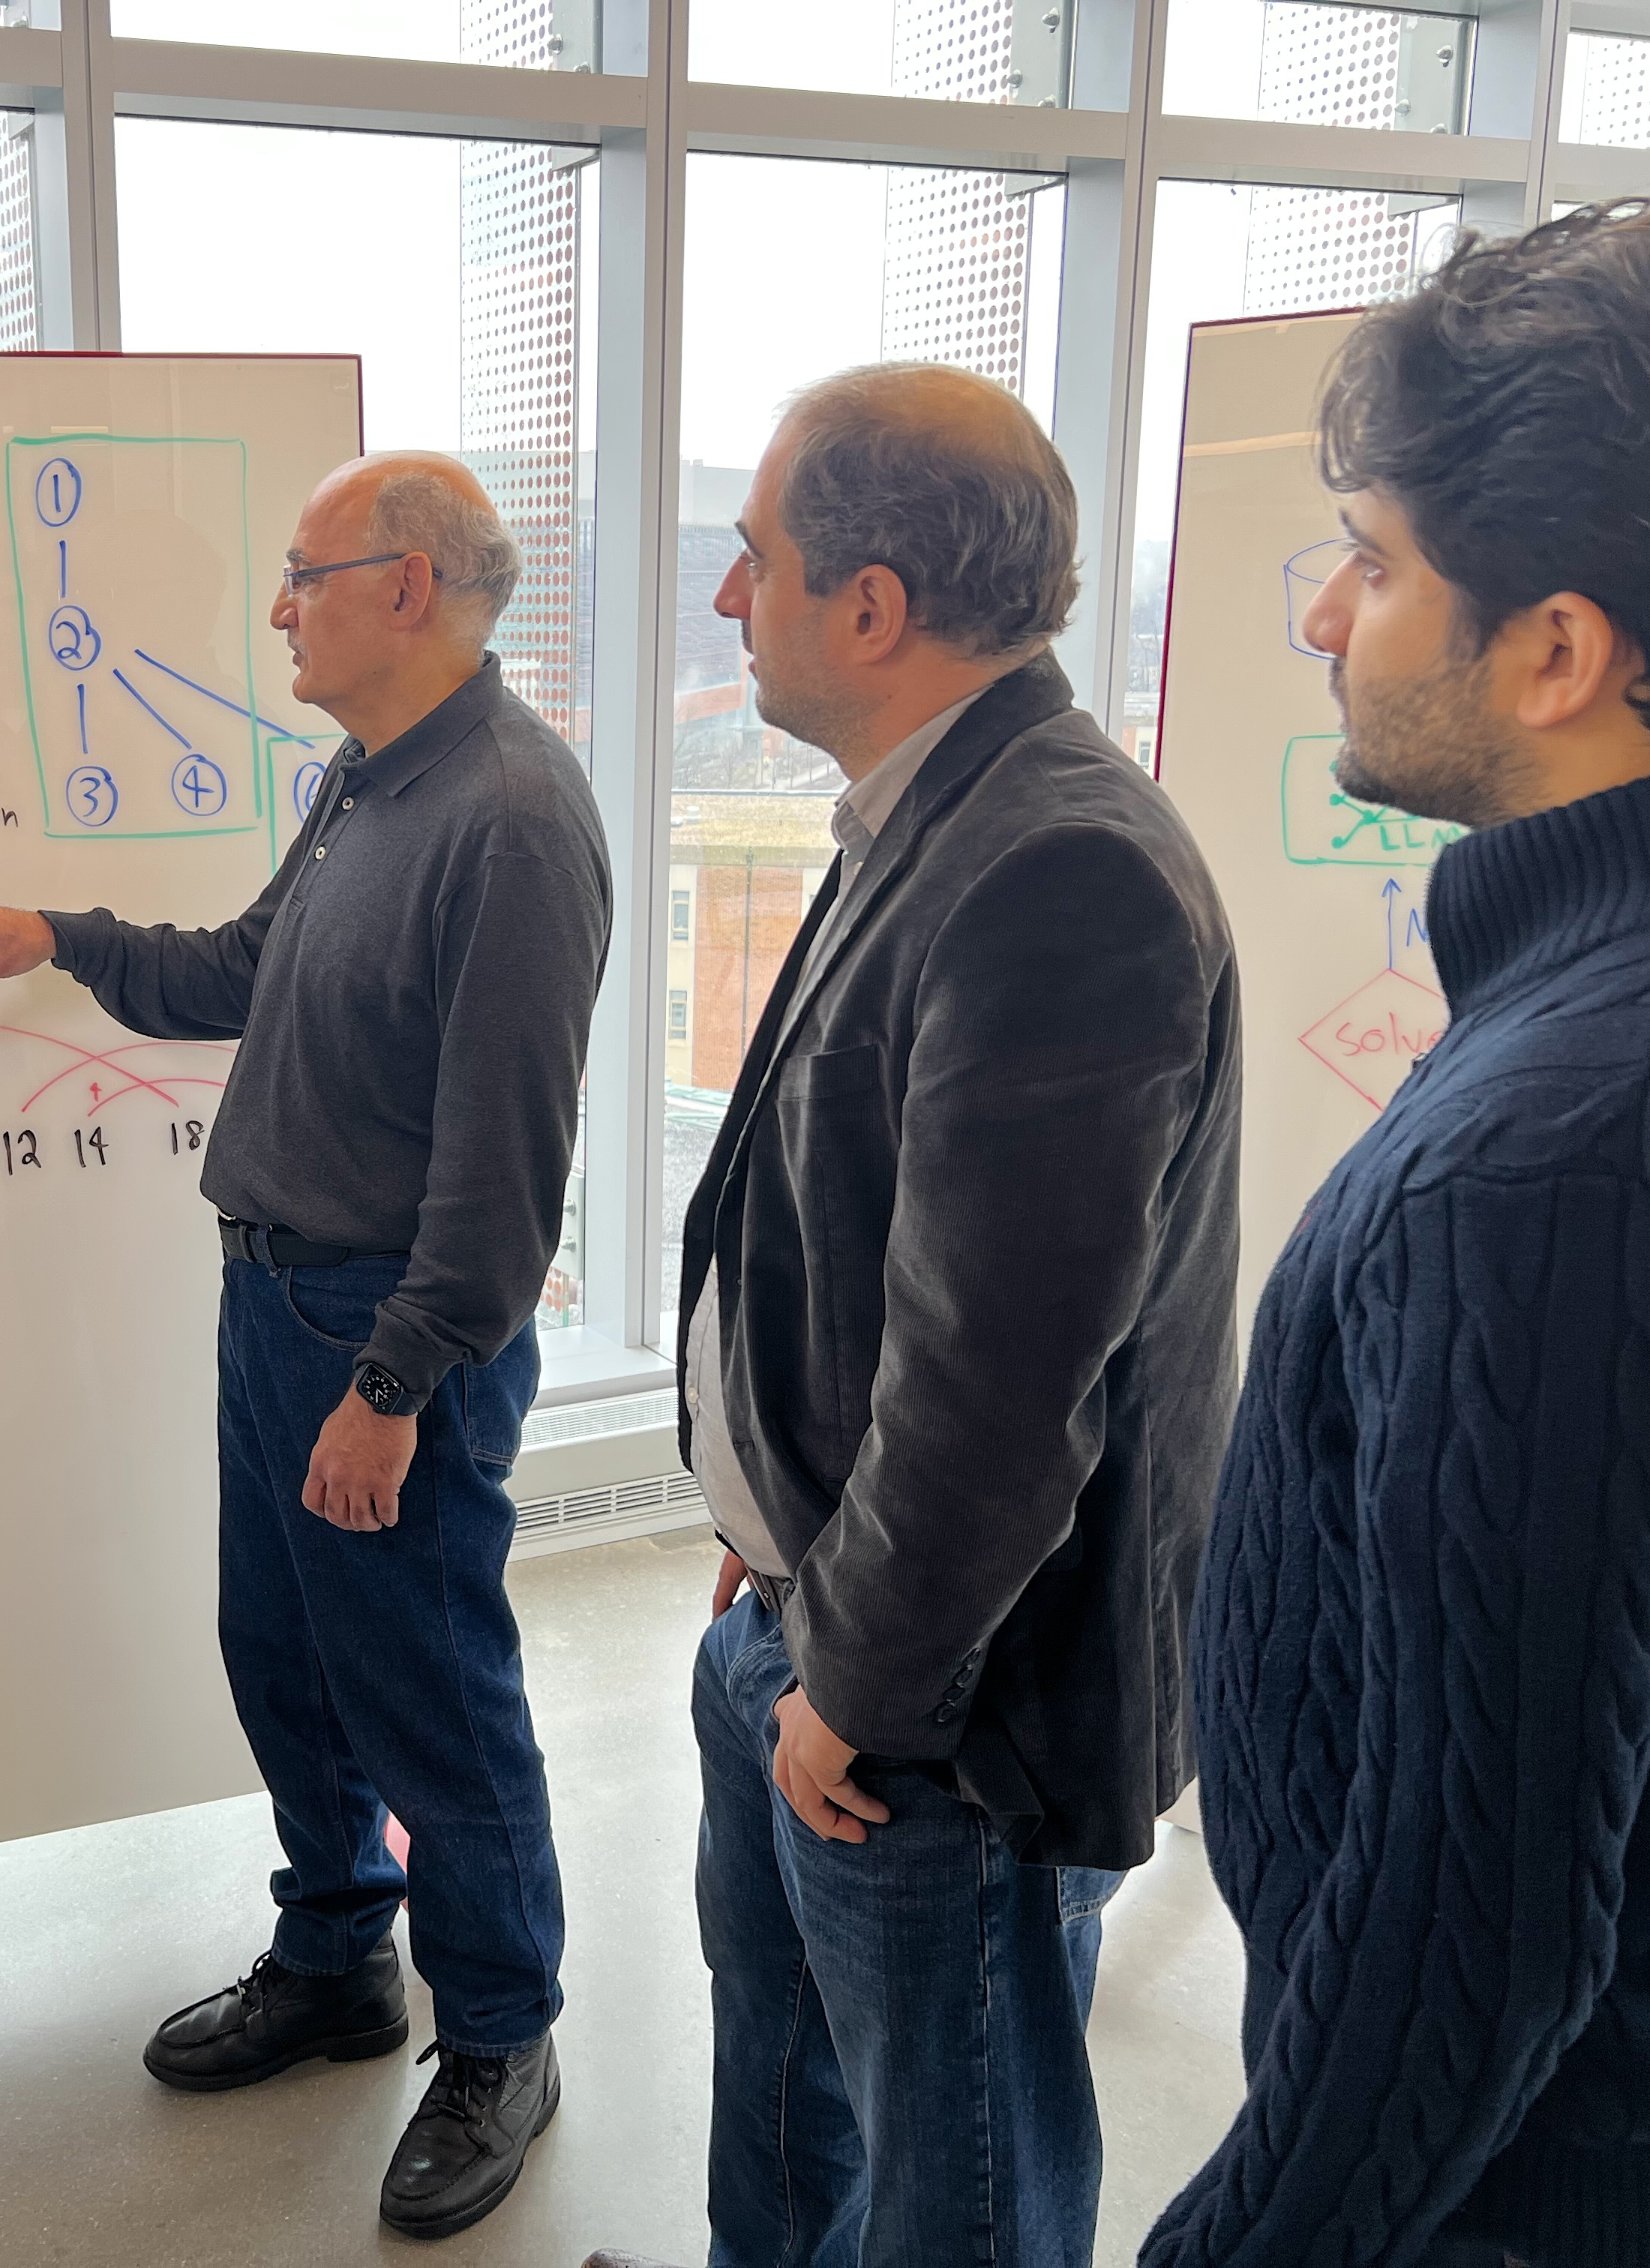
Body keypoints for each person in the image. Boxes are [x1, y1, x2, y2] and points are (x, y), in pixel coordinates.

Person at [1144, 199, 1650, 2268]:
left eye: (1378, 557)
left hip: (1528, 2186)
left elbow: (1470, 1929)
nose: (1331, 616)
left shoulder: (1571, 1155)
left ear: (1562, 647)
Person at [0, 452, 610, 2239]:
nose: (279, 606)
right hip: (276, 1301)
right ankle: (340, 1961)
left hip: (384, 1332)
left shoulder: (515, 819)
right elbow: (234, 974)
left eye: (306, 573)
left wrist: (391, 1390)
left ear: (411, 588)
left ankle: (504, 2037)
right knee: (284, 1656)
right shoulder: (366, 784)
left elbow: (506, 1175)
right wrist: (45, 933)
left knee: (430, 1691)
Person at [588, 364, 1242, 2268]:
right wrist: (771, 1516)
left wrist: (856, 1680)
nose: (728, 600)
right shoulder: (939, 806)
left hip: (938, 1717)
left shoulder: (1061, 865)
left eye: (755, 559)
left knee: (951, 2181)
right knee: (792, 2107)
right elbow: (875, 1255)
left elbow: (998, 1384)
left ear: (870, 607)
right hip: (814, 1613)